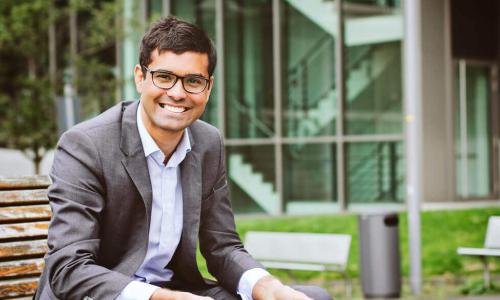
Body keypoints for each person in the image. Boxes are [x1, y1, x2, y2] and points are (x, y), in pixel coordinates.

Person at [35, 16, 332, 300]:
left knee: (312, 297)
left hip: (175, 289)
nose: (177, 93)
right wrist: (157, 297)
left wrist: (265, 285)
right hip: (103, 294)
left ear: (208, 87)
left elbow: (222, 246)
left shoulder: (208, 143)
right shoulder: (86, 145)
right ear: (140, 78)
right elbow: (68, 268)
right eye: (164, 77)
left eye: (193, 81)